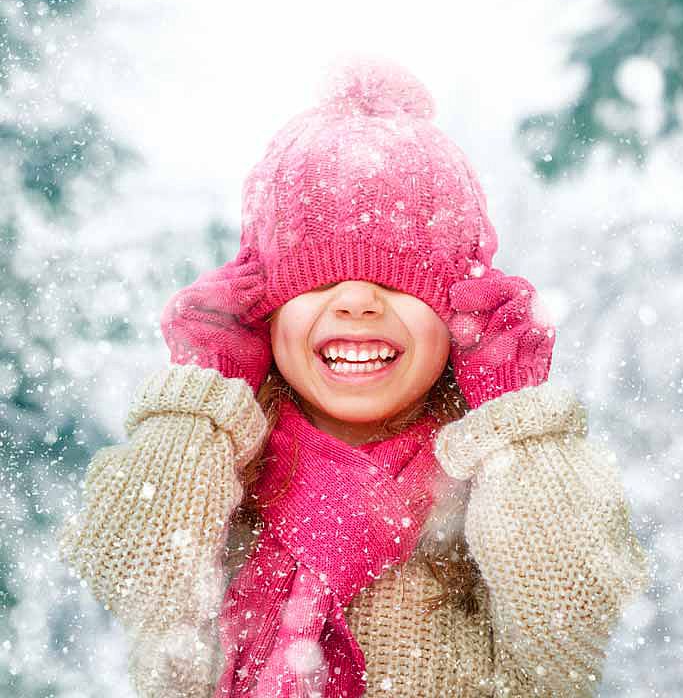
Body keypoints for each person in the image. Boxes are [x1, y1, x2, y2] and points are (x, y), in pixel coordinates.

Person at [57, 55, 652, 698]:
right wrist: (204, 398)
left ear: (456, 315)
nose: (357, 301)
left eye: (398, 279)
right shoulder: (218, 470)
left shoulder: (492, 484)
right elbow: (136, 573)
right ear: (267, 310)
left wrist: (512, 413)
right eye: (314, 280)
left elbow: (571, 614)